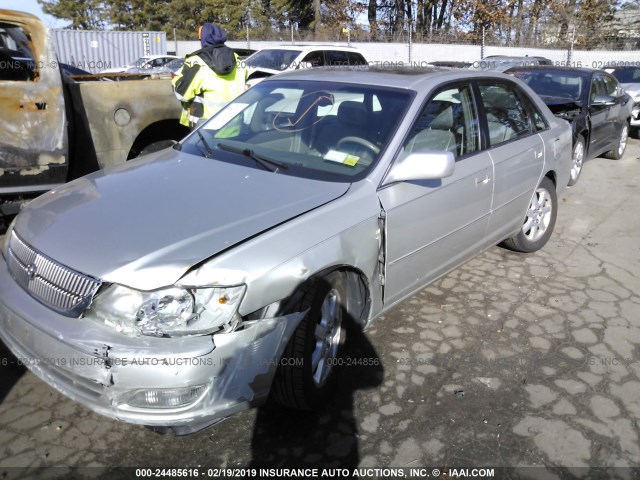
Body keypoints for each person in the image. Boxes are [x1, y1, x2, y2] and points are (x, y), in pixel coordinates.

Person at [172, 23, 247, 128]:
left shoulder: (196, 62)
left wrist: (175, 79)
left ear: (203, 39)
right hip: (235, 125)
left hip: (205, 130)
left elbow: (181, 94)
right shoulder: (238, 59)